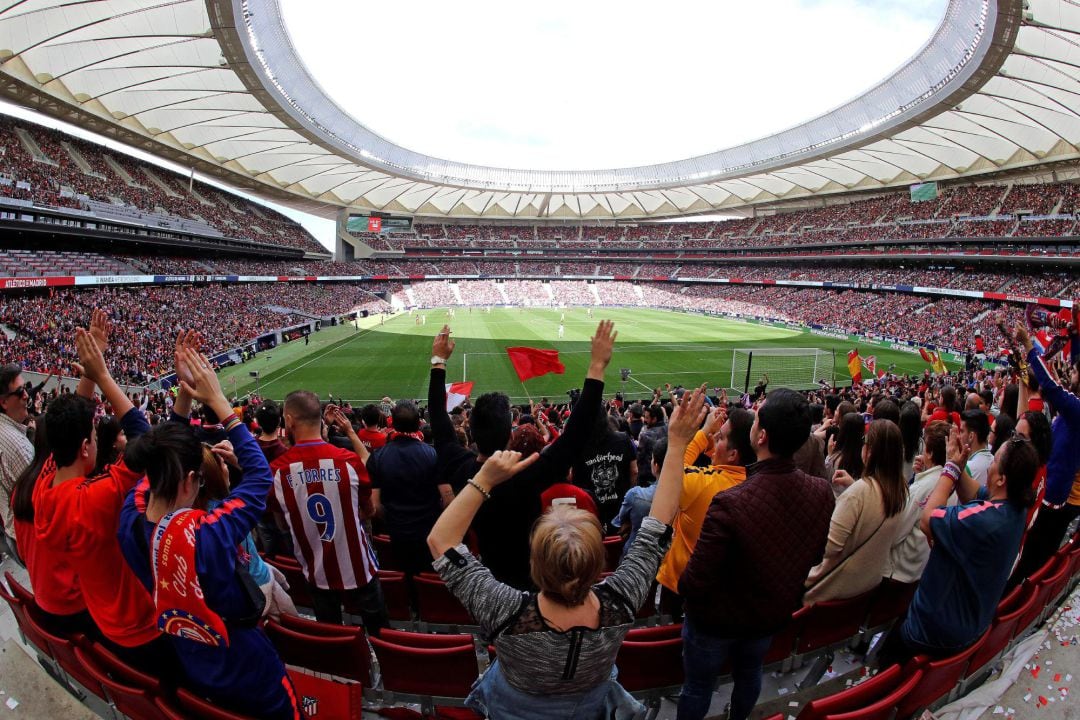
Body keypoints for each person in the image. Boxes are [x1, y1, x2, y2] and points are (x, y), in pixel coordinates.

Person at [427, 387, 708, 719]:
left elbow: (441, 541)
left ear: (536, 563)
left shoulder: (503, 610)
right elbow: (657, 525)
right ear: (597, 565)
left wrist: (484, 479)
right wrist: (677, 446)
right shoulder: (622, 600)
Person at [118, 345, 302, 719]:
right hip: (247, 666)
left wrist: (184, 395)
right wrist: (219, 403)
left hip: (192, 656)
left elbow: (160, 458)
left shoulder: (130, 519)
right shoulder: (209, 533)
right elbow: (259, 477)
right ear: (191, 480)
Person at [33, 312, 177, 673]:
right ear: (85, 447)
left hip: (103, 619)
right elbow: (146, 439)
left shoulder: (44, 484)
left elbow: (69, 428)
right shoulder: (95, 496)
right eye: (94, 438)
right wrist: (103, 376)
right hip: (141, 626)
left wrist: (88, 372)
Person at [678, 389, 834, 720]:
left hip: (715, 625)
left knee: (697, 687)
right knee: (750, 675)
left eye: (758, 416)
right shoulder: (821, 492)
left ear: (761, 436)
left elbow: (693, 583)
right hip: (768, 617)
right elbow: (814, 552)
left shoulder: (730, 503)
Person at [426, 321, 614, 590]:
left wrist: (438, 361)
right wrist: (597, 366)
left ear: (471, 431)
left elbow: (439, 420)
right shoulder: (531, 473)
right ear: (510, 435)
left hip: (490, 582)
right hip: (535, 582)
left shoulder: (460, 468)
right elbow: (576, 434)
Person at [877, 432, 1037, 665]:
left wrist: (950, 469)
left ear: (1002, 479)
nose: (991, 462)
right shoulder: (1013, 507)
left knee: (887, 663)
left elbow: (927, 519)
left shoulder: (985, 521)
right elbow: (973, 493)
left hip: (934, 629)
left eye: (994, 460)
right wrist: (959, 464)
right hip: (968, 623)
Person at [271, 390, 388, 631]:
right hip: (359, 568)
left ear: (289, 420)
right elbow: (369, 510)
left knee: (331, 637)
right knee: (380, 632)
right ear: (321, 420)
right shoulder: (349, 462)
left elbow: (282, 525)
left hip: (316, 572)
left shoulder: (277, 472)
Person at [656, 405, 754, 619]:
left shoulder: (703, 485)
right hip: (725, 590)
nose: (714, 441)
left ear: (733, 454)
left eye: (720, 439)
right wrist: (714, 439)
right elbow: (719, 462)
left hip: (681, 586)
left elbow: (670, 473)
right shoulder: (756, 484)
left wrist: (702, 433)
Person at [805, 420, 909, 605]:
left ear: (870, 451)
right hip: (864, 588)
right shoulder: (900, 490)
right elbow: (875, 507)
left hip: (832, 589)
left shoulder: (860, 493)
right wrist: (853, 486)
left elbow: (829, 547)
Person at [367, 399, 450, 592]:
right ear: (418, 422)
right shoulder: (433, 454)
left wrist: (395, 519)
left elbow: (375, 506)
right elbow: (448, 499)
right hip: (428, 532)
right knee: (428, 582)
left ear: (393, 423)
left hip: (397, 532)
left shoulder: (378, 457)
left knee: (405, 581)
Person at [885, 421, 954, 583]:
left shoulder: (921, 488)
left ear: (929, 453)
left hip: (902, 573)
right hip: (926, 567)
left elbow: (895, 535)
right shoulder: (954, 481)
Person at [572, 412, 637, 530]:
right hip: (620, 508)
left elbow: (575, 481)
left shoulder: (578, 445)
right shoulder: (623, 439)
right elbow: (634, 471)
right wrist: (629, 498)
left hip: (591, 512)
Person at [0, 362, 33, 562]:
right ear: (4, 402)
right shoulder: (18, 446)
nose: (27, 395)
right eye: (20, 392)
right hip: (27, 541)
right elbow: (41, 503)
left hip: (13, 535)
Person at [611, 439, 665, 555]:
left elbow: (620, 521)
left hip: (636, 555)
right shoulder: (690, 492)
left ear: (655, 465)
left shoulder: (635, 495)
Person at [960, 409, 993, 485]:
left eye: (962, 431)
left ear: (971, 436)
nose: (959, 436)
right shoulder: (996, 461)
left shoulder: (967, 468)